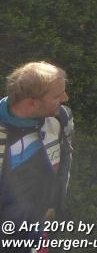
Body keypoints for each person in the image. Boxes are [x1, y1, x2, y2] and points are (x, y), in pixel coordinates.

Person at [0, 62, 73, 250]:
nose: (66, 98)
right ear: (32, 103)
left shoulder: (60, 118)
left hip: (37, 233)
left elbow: (64, 160)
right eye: (57, 96)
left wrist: (54, 204)